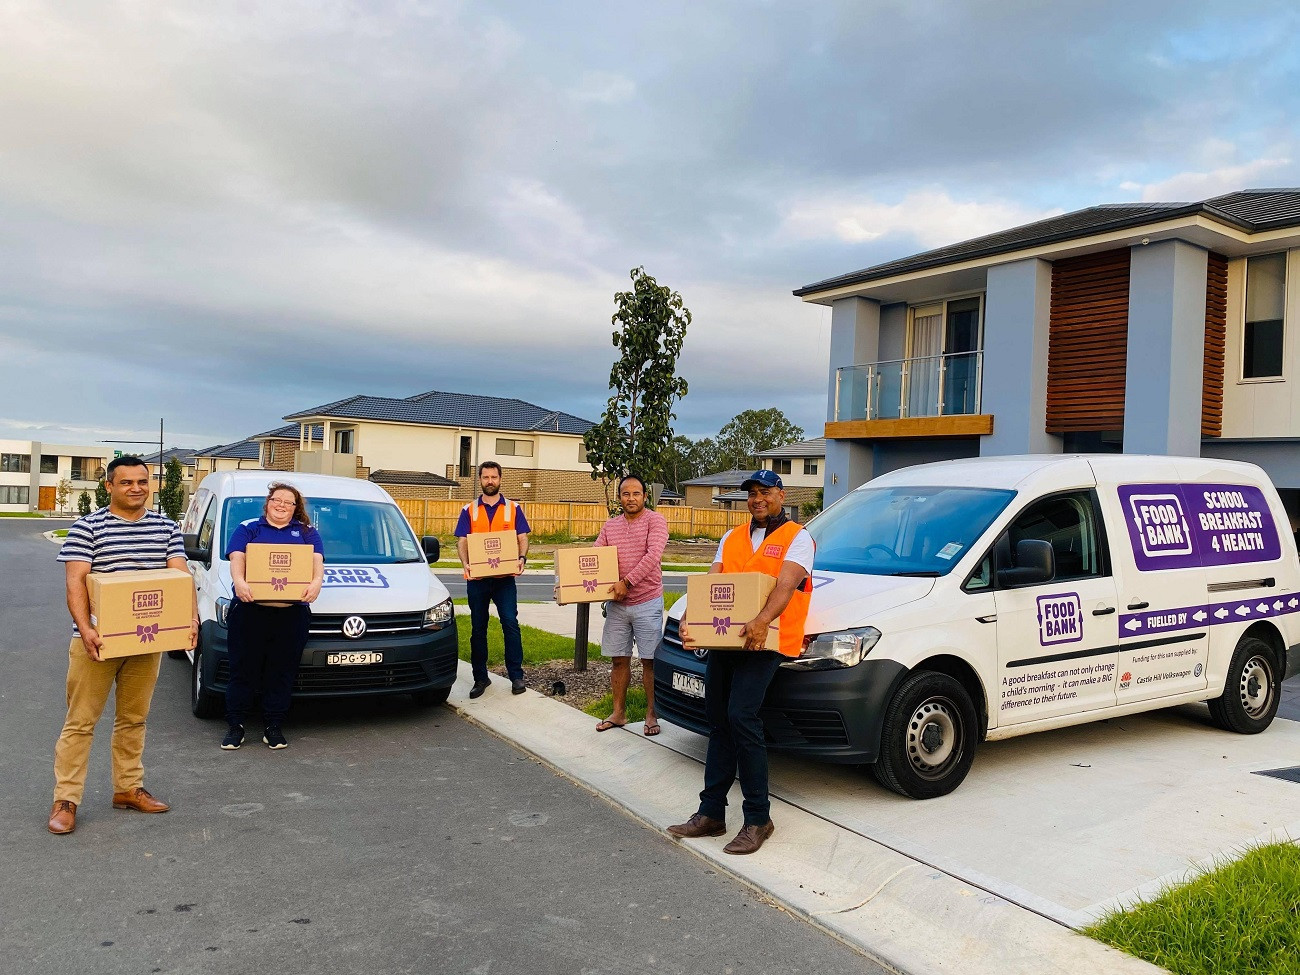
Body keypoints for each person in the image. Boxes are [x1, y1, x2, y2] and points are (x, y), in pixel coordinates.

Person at [49, 456, 198, 835]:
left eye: (142, 482)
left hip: (147, 639)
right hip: (96, 642)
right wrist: (86, 629)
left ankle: (128, 788)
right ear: (109, 486)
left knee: (134, 718)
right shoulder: (88, 527)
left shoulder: (166, 527)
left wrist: (191, 620)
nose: (136, 488)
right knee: (80, 722)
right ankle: (66, 799)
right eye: (126, 482)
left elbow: (180, 578)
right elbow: (75, 582)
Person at [668, 469, 813, 855]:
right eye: (751, 493)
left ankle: (758, 818)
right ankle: (711, 813)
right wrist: (690, 617)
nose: (757, 499)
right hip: (726, 640)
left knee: (742, 718)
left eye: (765, 491)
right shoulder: (731, 537)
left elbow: (786, 585)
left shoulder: (798, 538)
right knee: (718, 720)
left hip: (767, 642)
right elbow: (712, 582)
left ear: (781, 495)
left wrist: (762, 621)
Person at [222, 482, 325, 751]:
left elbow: (317, 563)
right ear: (267, 503)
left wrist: (316, 584)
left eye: (288, 502)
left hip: (291, 615)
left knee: (281, 672)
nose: (281, 505)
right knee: (242, 671)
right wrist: (240, 582)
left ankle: (273, 726)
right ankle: (235, 726)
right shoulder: (249, 528)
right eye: (276, 500)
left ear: (295, 508)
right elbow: (236, 557)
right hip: (250, 611)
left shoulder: (307, 532)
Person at [592, 474, 669, 736]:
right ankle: (618, 713)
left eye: (636, 493)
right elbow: (595, 556)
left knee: (649, 661)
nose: (631, 498)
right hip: (617, 605)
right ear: (619, 498)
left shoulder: (655, 521)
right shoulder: (610, 526)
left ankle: (652, 714)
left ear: (645, 496)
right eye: (626, 494)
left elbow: (653, 556)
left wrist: (627, 582)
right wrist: (572, 584)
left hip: (647, 601)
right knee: (618, 660)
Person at [455, 461, 531, 698]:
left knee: (510, 623)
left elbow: (522, 537)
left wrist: (522, 558)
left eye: (494, 477)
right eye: (486, 477)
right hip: (477, 579)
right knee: (478, 628)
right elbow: (462, 541)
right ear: (480, 479)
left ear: (500, 479)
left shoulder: (513, 508)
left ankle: (516, 676)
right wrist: (465, 563)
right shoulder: (469, 510)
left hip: (504, 579)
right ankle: (480, 678)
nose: (490, 481)